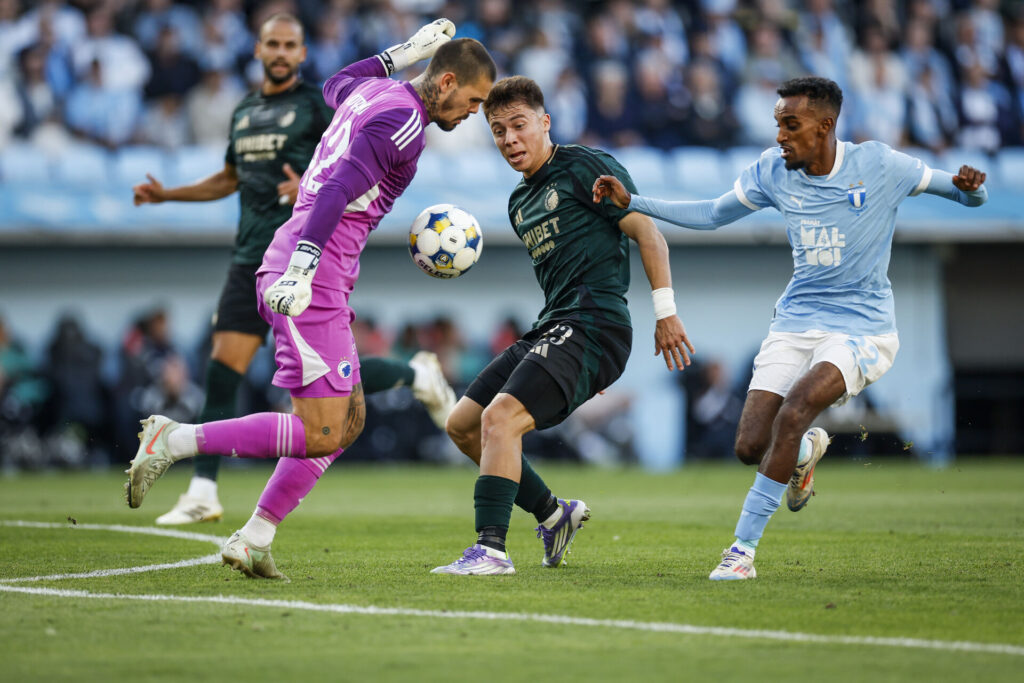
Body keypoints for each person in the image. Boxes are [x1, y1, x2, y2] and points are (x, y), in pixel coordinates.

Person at [125, 21, 497, 580]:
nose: (473, 114)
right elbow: (341, 185)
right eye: (473, 101)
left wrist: (403, 53)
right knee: (320, 429)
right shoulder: (406, 124)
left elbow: (335, 84)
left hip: (322, 272)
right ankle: (173, 438)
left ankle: (255, 536)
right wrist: (302, 268)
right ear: (445, 82)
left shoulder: (378, 91)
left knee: (345, 420)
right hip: (311, 275)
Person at [592, 76, 988, 581]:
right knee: (748, 446)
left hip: (862, 330)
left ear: (825, 126)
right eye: (777, 123)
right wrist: (633, 202)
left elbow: (964, 196)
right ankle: (804, 452)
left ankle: (741, 552)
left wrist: (973, 189)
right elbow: (713, 214)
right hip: (796, 322)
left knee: (797, 408)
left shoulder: (880, 165)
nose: (780, 135)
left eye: (790, 124)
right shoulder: (772, 172)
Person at [432, 76, 695, 576]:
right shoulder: (518, 204)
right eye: (497, 130)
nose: (509, 139)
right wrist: (575, 371)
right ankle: (554, 514)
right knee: (463, 425)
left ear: (544, 122)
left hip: (595, 325)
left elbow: (648, 233)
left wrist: (666, 311)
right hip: (556, 327)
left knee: (499, 419)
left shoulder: (584, 167)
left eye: (519, 125)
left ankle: (490, 550)